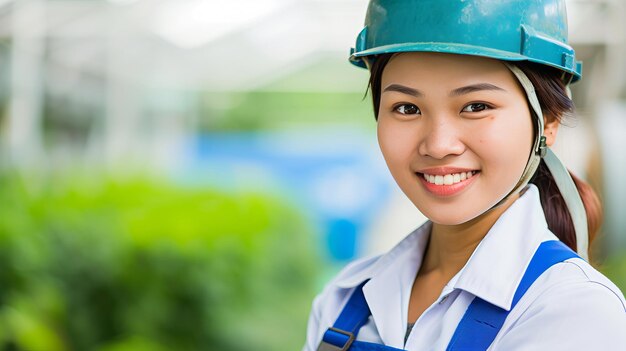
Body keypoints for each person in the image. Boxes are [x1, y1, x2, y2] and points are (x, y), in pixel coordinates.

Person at [303, 1, 626, 350]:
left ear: (548, 123)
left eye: (476, 106)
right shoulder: (344, 299)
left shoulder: (572, 310)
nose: (438, 145)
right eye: (407, 108)